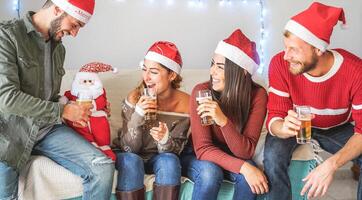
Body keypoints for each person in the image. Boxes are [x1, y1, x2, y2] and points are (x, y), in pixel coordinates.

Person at [0, 1, 115, 200]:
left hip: (46, 129)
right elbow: (6, 98)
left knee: (102, 167)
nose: (75, 33)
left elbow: (51, 97)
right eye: (75, 24)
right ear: (58, 9)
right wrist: (61, 111)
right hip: (9, 132)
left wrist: (71, 107)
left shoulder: (58, 50)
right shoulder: (7, 36)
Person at [264, 2, 362, 199]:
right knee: (273, 157)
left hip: (337, 127)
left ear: (318, 49)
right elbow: (275, 115)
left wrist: (332, 164)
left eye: (294, 50)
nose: (286, 56)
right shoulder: (279, 65)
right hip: (295, 126)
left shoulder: (355, 71)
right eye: (286, 48)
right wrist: (282, 128)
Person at [181, 29, 269, 200]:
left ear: (242, 71)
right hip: (197, 156)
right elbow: (203, 149)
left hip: (235, 154)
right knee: (209, 174)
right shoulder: (201, 92)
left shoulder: (258, 96)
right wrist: (244, 167)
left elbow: (246, 151)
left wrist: (223, 121)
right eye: (212, 63)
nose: (212, 71)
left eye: (220, 67)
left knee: (248, 180)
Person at [113, 41, 190, 200]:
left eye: (153, 72)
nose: (146, 77)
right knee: (132, 161)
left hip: (160, 157)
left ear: (172, 75)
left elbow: (175, 152)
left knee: (169, 161)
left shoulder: (185, 104)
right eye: (144, 69)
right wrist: (138, 116)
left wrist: (164, 139)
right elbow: (129, 149)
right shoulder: (135, 97)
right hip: (130, 154)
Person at [63, 62, 117, 161]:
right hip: (77, 117)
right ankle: (90, 146)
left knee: (102, 133)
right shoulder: (72, 93)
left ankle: (105, 148)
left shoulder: (100, 94)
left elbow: (102, 103)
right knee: (80, 128)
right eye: (84, 81)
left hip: (98, 118)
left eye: (90, 81)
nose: (87, 84)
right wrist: (62, 106)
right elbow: (63, 100)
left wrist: (101, 107)